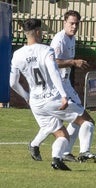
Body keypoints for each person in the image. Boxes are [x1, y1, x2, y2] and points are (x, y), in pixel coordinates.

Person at [27, 11, 96, 163]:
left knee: (71, 120)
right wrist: (73, 62)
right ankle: (82, 152)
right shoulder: (59, 39)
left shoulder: (71, 38)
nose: (74, 26)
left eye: (76, 23)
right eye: (71, 23)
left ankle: (59, 150)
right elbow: (53, 62)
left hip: (66, 84)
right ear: (64, 22)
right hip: (57, 87)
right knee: (84, 120)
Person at [10, 18, 70, 170]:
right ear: (37, 32)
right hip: (51, 97)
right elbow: (54, 72)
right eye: (41, 30)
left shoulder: (17, 54)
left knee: (52, 126)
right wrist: (63, 94)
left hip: (35, 100)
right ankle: (58, 158)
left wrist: (26, 96)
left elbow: (13, 83)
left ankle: (34, 145)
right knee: (68, 130)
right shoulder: (45, 50)